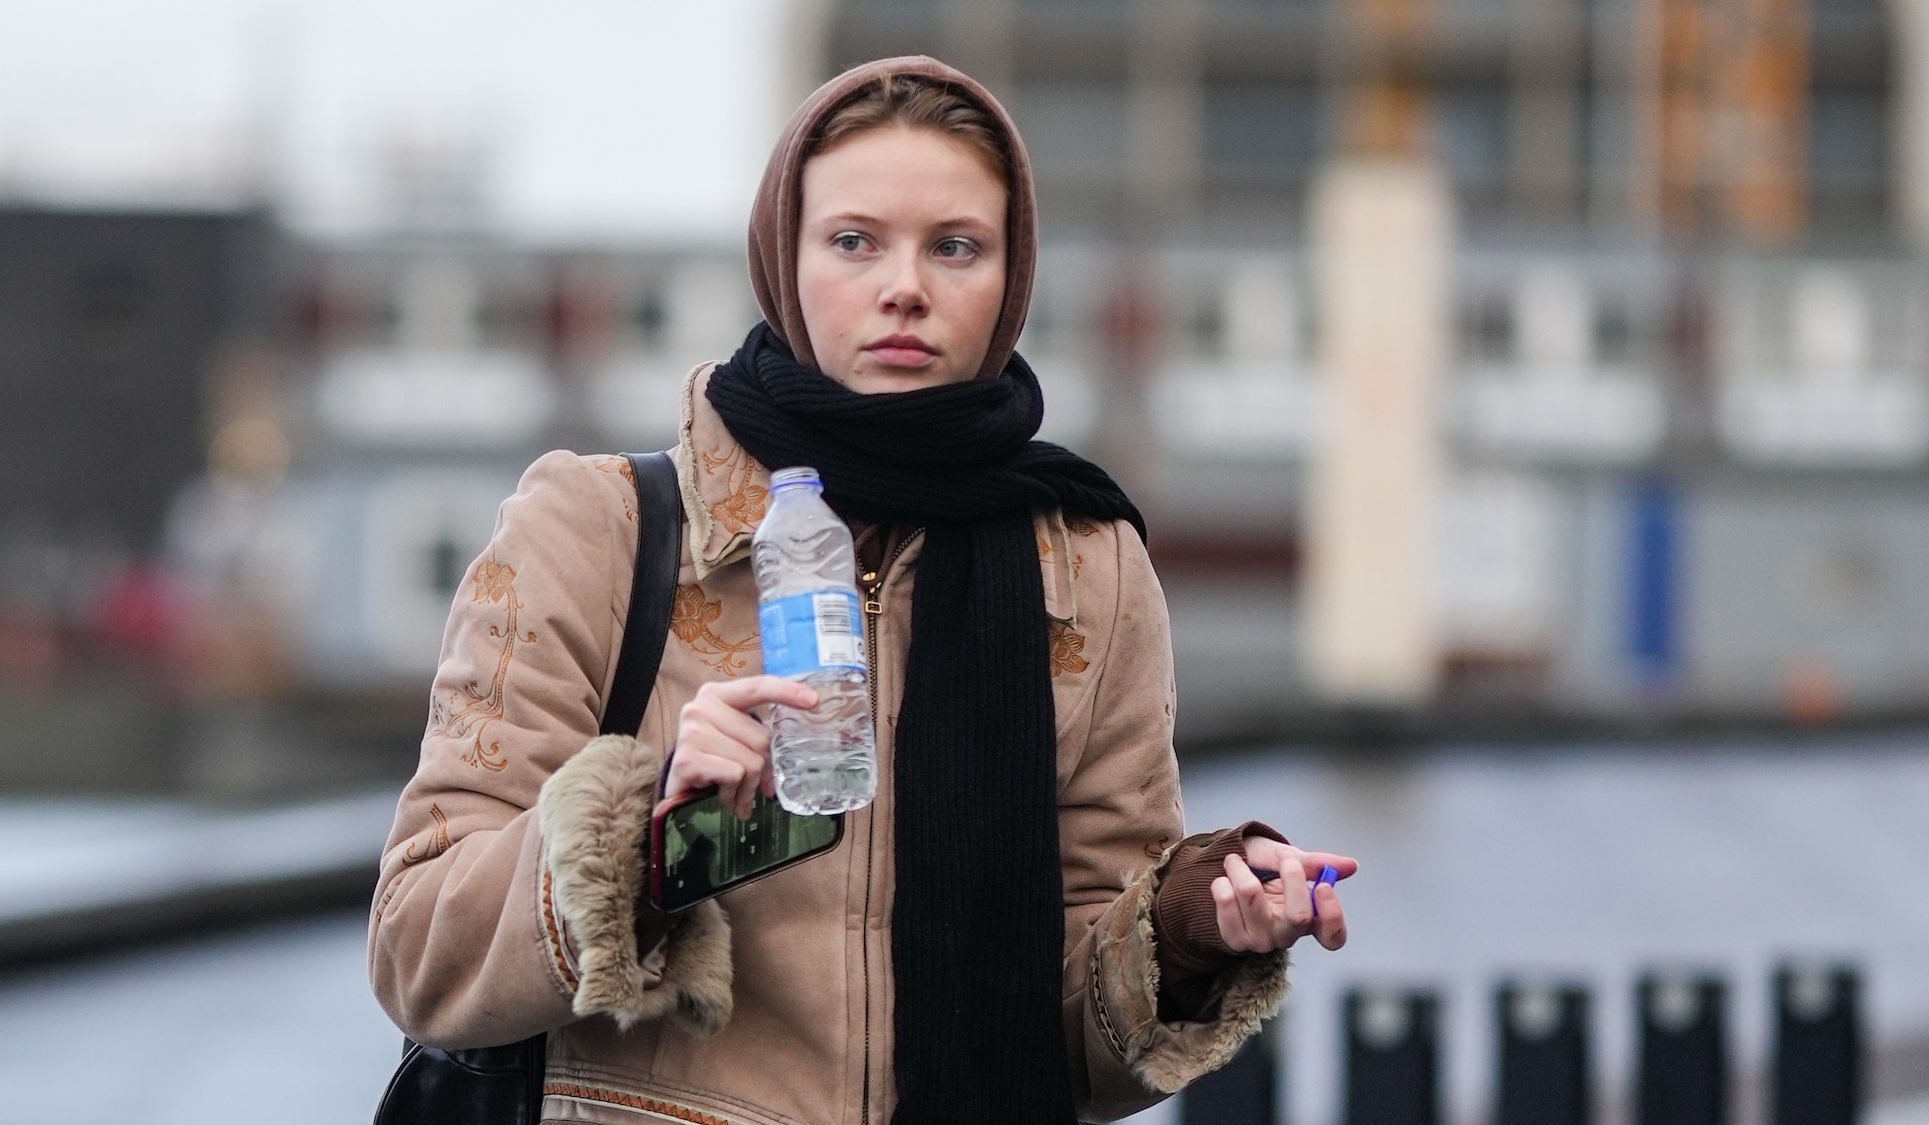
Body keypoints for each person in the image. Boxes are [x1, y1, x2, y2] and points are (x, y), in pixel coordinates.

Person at [369, 55, 1356, 1125]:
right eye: (853, 241)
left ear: (1010, 277)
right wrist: (647, 837)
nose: (905, 287)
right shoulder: (595, 529)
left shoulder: (1083, 564)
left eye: (955, 247)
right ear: (781, 260)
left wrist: (1190, 927)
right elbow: (419, 949)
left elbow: (1071, 1048)